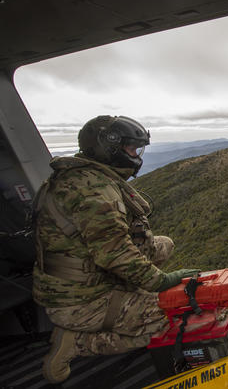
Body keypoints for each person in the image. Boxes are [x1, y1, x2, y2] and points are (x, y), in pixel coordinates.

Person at [32, 115, 198, 384]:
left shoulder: (79, 177)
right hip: (82, 301)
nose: (136, 155)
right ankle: (79, 341)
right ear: (108, 148)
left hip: (75, 283)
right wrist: (162, 281)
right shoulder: (94, 191)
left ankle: (124, 301)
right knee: (176, 319)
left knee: (164, 244)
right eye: (132, 149)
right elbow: (115, 253)